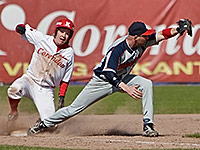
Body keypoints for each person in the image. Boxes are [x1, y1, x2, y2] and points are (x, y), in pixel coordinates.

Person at [27, 19, 192, 137]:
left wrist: (179, 28)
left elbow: (162, 34)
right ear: (136, 37)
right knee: (74, 109)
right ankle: (43, 124)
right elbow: (109, 73)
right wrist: (125, 88)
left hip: (122, 78)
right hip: (102, 81)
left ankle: (148, 125)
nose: (148, 37)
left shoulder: (143, 41)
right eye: (145, 35)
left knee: (146, 83)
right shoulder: (118, 49)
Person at [7, 18, 75, 130]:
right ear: (56, 31)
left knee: (51, 126)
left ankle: (40, 120)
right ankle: (13, 112)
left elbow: (66, 79)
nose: (64, 35)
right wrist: (21, 28)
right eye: (62, 31)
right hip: (30, 80)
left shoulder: (69, 53)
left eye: (67, 33)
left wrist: (61, 97)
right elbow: (23, 28)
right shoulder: (42, 39)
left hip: (46, 90)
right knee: (14, 89)